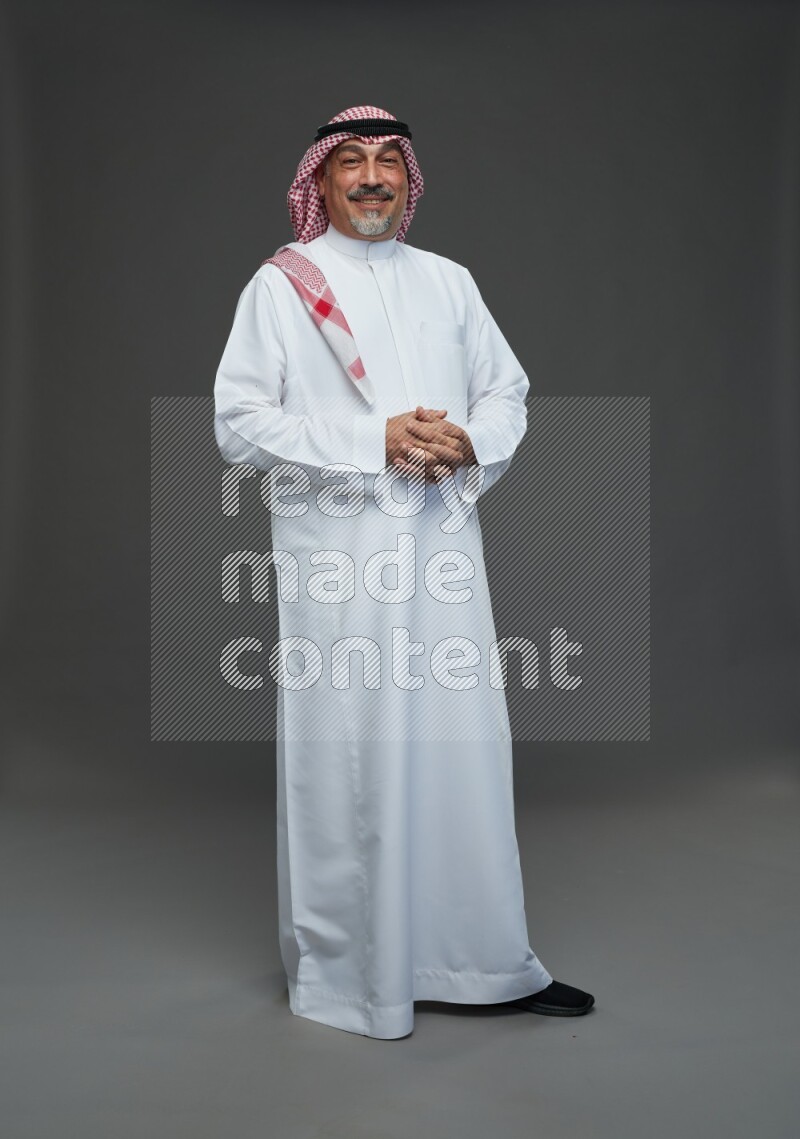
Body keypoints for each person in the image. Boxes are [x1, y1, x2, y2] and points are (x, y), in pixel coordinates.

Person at [213, 105, 594, 1038]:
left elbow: (508, 389)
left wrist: (468, 442)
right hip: (337, 565)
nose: (373, 177)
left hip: (441, 553)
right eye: (352, 161)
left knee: (462, 751)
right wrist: (371, 439)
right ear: (324, 178)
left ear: (408, 178)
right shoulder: (282, 288)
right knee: (354, 758)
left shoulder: (449, 282)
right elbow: (238, 424)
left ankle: (485, 963)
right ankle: (357, 977)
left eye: (389, 160)